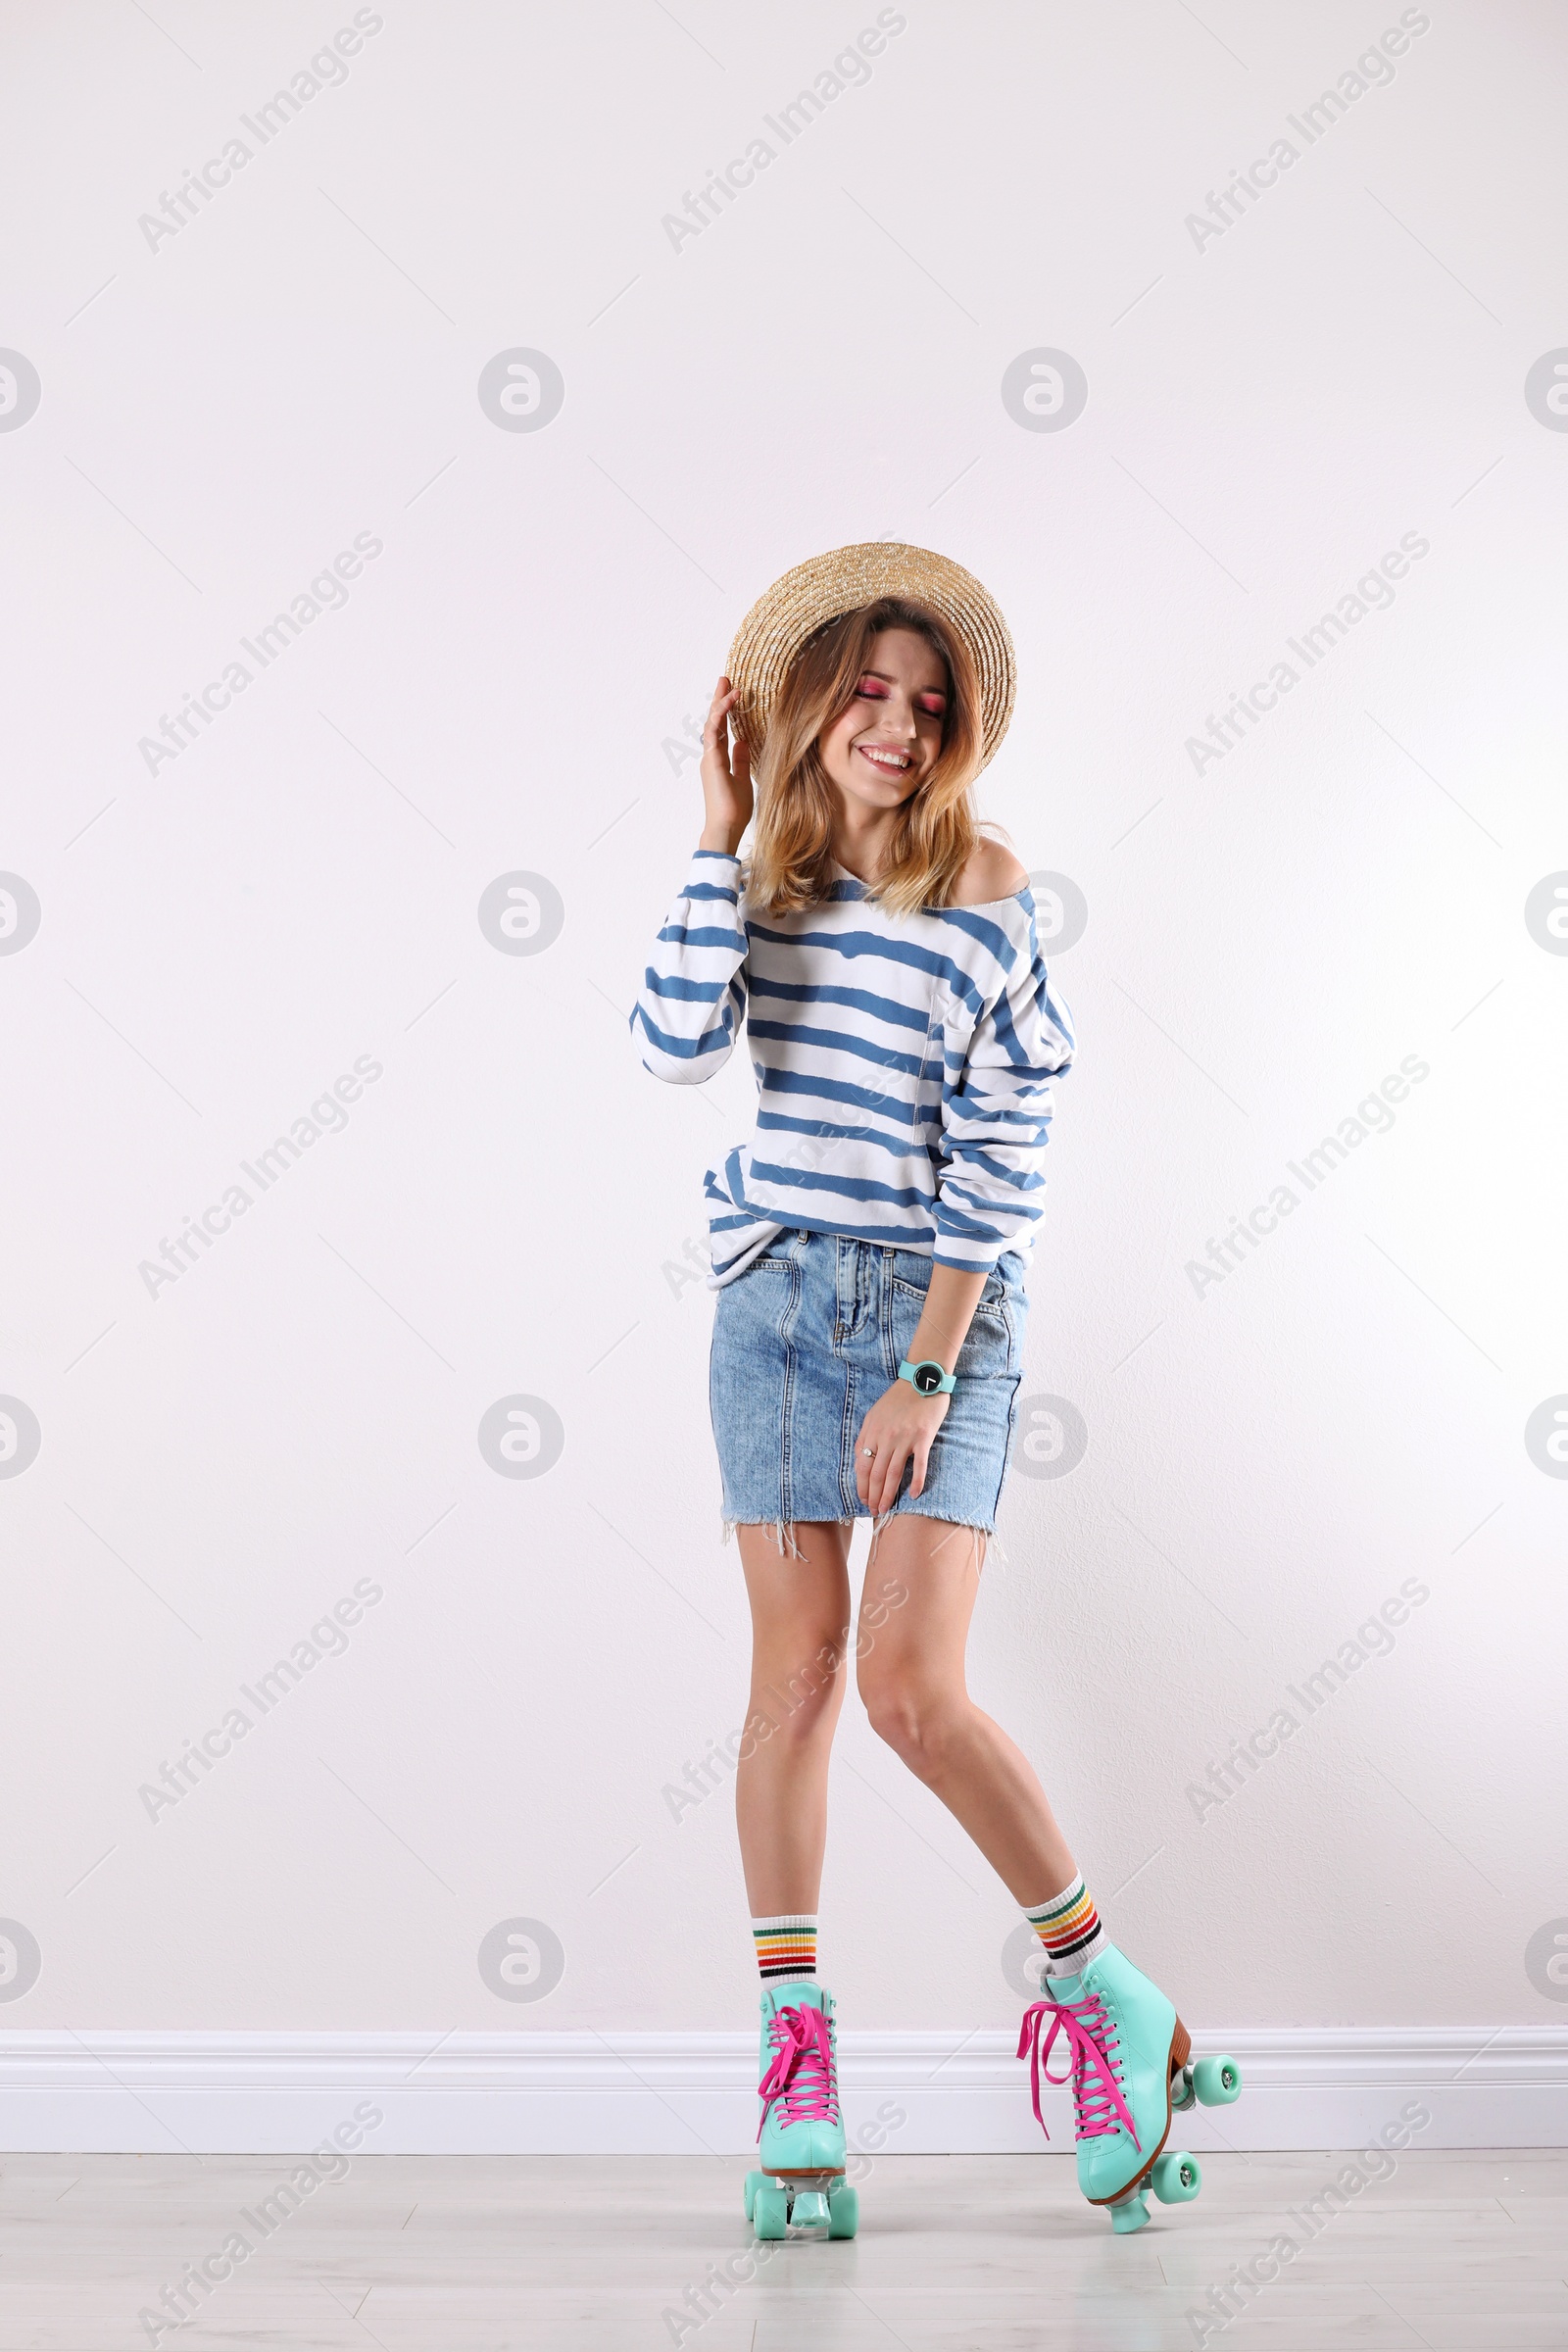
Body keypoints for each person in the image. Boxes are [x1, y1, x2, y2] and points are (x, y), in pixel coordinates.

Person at [630, 544, 1236, 2240]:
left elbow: (1007, 1156)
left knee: (906, 1684)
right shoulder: (753, 888)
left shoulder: (982, 886)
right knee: (795, 1683)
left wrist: (922, 1369)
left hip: (934, 1309)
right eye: (866, 693)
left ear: (956, 728)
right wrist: (709, 829)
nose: (895, 726)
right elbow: (674, 1048)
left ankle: (1103, 1987)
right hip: (766, 1299)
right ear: (809, 707)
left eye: (926, 702)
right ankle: (797, 2078)